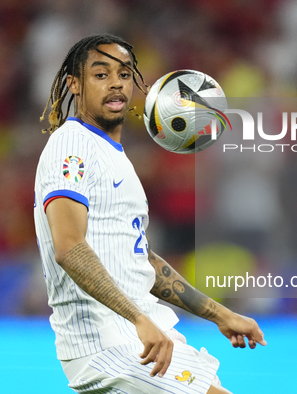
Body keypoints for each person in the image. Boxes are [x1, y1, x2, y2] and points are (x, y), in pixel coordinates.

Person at [33, 33, 266, 394]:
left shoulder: (115, 157)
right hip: (107, 343)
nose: (115, 83)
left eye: (124, 74)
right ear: (74, 84)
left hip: (148, 335)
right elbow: (69, 247)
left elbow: (140, 261)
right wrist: (138, 318)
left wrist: (221, 315)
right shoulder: (72, 145)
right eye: (101, 74)